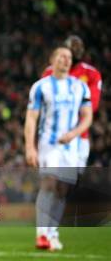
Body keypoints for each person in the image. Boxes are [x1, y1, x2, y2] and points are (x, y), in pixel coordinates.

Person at [25, 46, 92, 251]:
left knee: (62, 190)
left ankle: (52, 233)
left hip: (71, 147)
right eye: (62, 56)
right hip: (48, 144)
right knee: (49, 184)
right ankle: (41, 234)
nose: (66, 60)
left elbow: (87, 116)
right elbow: (31, 118)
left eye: (69, 57)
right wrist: (30, 147)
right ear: (52, 60)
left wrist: (74, 133)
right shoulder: (40, 87)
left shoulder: (80, 87)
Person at [41, 35, 102, 168]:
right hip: (53, 135)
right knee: (50, 180)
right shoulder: (50, 72)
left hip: (79, 136)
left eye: (77, 50)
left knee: (73, 181)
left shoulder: (91, 74)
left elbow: (93, 106)